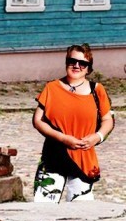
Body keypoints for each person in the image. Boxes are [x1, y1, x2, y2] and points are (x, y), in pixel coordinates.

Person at [32, 44, 114, 203]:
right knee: (43, 209)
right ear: (66, 62)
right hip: (53, 156)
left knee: (81, 214)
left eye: (82, 63)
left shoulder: (97, 90)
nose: (77, 65)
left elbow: (107, 120)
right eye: (72, 61)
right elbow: (38, 120)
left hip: (83, 158)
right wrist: (63, 138)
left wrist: (98, 136)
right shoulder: (52, 88)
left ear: (89, 68)